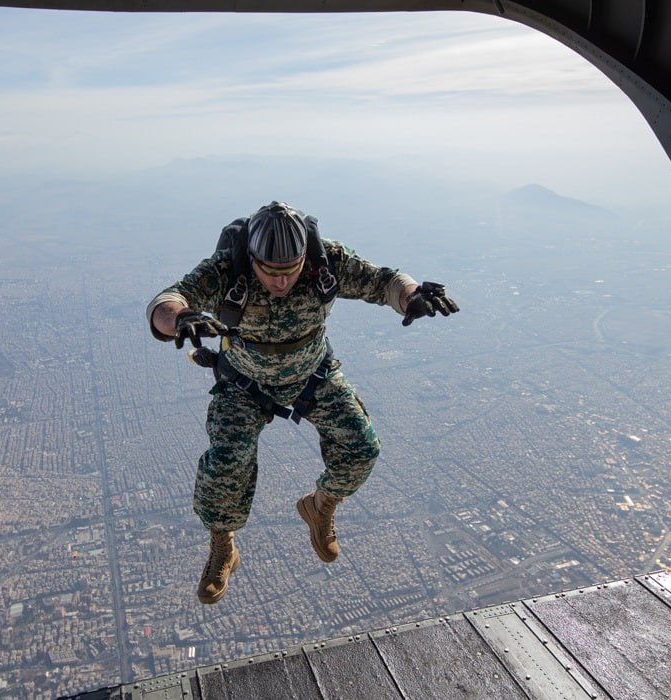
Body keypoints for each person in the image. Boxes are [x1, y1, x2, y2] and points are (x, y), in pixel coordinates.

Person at [147, 201, 458, 604]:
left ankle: (320, 506)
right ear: (253, 258)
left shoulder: (324, 262)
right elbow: (166, 302)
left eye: (289, 270)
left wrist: (412, 296)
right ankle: (223, 545)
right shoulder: (228, 269)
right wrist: (181, 318)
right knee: (225, 462)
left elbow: (383, 281)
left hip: (313, 375)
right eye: (271, 272)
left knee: (362, 448)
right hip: (244, 380)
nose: (281, 282)